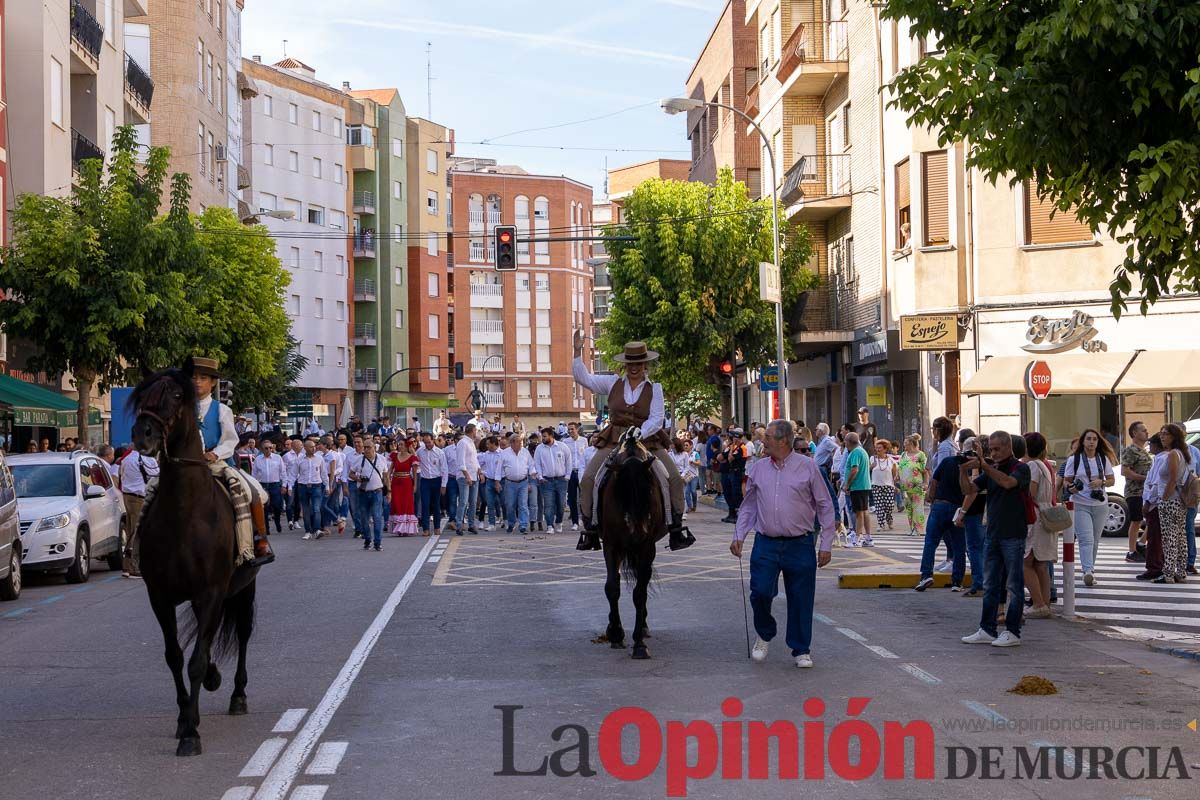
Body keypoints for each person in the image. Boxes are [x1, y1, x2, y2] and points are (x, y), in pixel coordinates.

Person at [730, 420, 835, 669]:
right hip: (766, 543)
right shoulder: (758, 469)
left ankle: (801, 649)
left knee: (801, 597)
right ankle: (765, 633)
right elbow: (749, 506)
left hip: (800, 544)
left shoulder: (809, 467)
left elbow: (825, 505)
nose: (762, 441)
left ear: (782, 441)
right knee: (760, 592)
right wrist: (739, 534)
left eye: (767, 437)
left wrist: (826, 544)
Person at [571, 334, 690, 552]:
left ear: (645, 364)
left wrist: (640, 431)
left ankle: (676, 529)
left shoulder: (655, 389)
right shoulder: (612, 382)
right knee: (588, 479)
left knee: (673, 478)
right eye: (630, 363)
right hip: (615, 439)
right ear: (625, 364)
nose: (634, 368)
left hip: (647, 440)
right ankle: (589, 530)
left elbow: (656, 418)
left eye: (638, 363)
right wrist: (577, 351)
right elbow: (584, 379)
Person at [960, 432, 1030, 647]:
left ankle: (1012, 631)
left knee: (1014, 585)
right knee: (990, 584)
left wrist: (985, 465)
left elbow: (1008, 483)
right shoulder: (992, 469)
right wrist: (963, 470)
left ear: (1009, 447)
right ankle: (987, 629)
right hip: (993, 534)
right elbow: (970, 489)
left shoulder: (1020, 468)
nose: (994, 453)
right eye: (991, 449)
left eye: (997, 449)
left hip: (1013, 535)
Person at [1063, 428, 1116, 586]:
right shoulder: (1074, 459)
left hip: (1100, 504)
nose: (1092, 442)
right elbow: (1066, 481)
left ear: (1098, 442)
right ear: (1083, 442)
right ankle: (1087, 571)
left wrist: (1102, 482)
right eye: (1088, 439)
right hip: (1080, 503)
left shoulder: (1103, 459)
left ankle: (1089, 569)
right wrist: (1071, 488)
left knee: (1095, 540)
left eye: (1094, 439)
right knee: (1086, 539)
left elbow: (1112, 480)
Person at [1022, 432, 1058, 618]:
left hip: (1035, 516)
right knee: (1040, 564)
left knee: (1026, 562)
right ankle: (1044, 604)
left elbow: (1031, 492)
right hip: (1045, 514)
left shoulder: (1032, 466)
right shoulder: (1045, 466)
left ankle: (1037, 602)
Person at [1156, 423, 1191, 583]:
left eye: (1166, 434)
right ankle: (1181, 571)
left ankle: (1169, 572)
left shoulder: (1172, 455)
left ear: (1174, 437)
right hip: (1180, 500)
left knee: (1169, 536)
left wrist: (1163, 498)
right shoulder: (1182, 453)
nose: (1162, 436)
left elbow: (1172, 479)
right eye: (1161, 433)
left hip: (1170, 500)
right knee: (1180, 536)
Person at [118, 447, 158, 578]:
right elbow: (158, 475)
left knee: (131, 530)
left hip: (127, 496)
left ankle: (127, 566)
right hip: (139, 498)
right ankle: (133, 567)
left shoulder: (127, 459)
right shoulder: (147, 460)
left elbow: (121, 476)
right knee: (137, 533)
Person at [1138, 434, 1168, 581]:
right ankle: (1157, 565)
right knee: (1156, 536)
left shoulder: (1162, 458)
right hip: (1155, 501)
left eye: (1151, 444)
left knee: (1154, 537)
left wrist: (1148, 502)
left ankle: (1154, 567)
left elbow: (1156, 483)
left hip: (1155, 503)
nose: (1150, 447)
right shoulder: (1160, 458)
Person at [1121, 421, 1152, 563]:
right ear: (1134, 433)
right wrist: (1145, 479)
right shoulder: (1131, 450)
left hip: (1146, 492)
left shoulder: (1144, 450)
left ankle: (1141, 544)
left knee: (1151, 519)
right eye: (1143, 430)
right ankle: (1131, 551)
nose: (1147, 432)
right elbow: (1125, 471)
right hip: (1134, 492)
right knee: (1136, 521)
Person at [352, 439, 390, 551]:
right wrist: (358, 478)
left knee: (377, 517)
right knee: (364, 518)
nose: (366, 449)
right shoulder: (359, 460)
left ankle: (377, 542)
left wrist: (389, 492)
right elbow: (351, 474)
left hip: (377, 492)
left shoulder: (382, 459)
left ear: (374, 447)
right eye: (365, 447)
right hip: (363, 493)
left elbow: (386, 476)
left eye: (369, 447)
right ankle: (367, 539)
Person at [534, 428, 572, 533]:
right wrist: (540, 477)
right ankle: (550, 525)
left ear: (551, 436)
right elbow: (537, 463)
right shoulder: (539, 449)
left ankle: (559, 522)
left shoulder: (562, 446)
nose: (543, 438)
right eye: (542, 436)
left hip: (561, 480)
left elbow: (569, 461)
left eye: (545, 436)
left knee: (561, 503)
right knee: (548, 504)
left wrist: (567, 476)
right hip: (546, 481)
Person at [841, 431, 873, 546]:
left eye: (845, 441)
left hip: (857, 486)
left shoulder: (854, 452)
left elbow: (854, 469)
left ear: (848, 442)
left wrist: (847, 484)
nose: (844, 443)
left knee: (859, 513)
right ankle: (868, 538)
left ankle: (857, 539)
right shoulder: (862, 451)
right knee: (865, 511)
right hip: (864, 485)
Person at [415, 431, 448, 536]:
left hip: (436, 480)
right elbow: (416, 463)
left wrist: (443, 485)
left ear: (433, 440)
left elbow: (444, 469)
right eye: (425, 442)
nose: (428, 444)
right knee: (425, 504)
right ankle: (426, 528)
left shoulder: (439, 452)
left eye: (429, 442)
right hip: (425, 481)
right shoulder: (420, 451)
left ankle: (437, 527)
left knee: (436, 504)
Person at [499, 433, 534, 533]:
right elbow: (499, 468)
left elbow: (531, 465)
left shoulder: (525, 452)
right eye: (519, 442)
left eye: (521, 442)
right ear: (512, 443)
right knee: (510, 505)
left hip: (523, 482)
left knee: (523, 504)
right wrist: (497, 482)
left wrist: (533, 474)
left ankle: (523, 525)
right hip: (509, 483)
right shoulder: (504, 453)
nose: (521, 444)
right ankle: (511, 523)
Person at [295, 438, 327, 540]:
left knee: (316, 509)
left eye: (314, 446)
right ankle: (308, 531)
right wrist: (289, 485)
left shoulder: (319, 458)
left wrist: (327, 486)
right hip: (303, 486)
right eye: (311, 447)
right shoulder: (299, 459)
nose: (314, 448)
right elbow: (294, 473)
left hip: (316, 485)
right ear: (305, 448)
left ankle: (317, 530)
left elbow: (324, 473)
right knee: (306, 510)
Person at [252, 440, 286, 535]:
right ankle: (266, 528)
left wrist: (284, 485)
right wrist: (254, 487)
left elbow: (283, 472)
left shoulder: (278, 458)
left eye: (270, 448)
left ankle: (277, 523)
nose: (268, 450)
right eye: (266, 448)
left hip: (275, 485)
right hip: (263, 486)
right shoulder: (258, 459)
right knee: (264, 508)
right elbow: (254, 474)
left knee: (277, 506)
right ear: (262, 449)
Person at [897, 435, 928, 536]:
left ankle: (918, 529)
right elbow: (900, 467)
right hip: (905, 487)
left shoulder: (920, 455)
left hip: (917, 486)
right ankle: (912, 528)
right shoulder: (903, 454)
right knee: (909, 508)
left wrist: (925, 483)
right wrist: (897, 476)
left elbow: (925, 471)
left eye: (906, 443)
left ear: (911, 444)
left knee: (917, 508)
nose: (904, 445)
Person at [388, 439, 419, 536]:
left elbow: (414, 474)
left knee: (406, 504)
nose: (399, 446)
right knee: (396, 503)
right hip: (395, 482)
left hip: (407, 483)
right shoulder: (394, 456)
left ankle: (405, 529)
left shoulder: (412, 458)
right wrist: (388, 482)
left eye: (401, 445)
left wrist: (415, 485)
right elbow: (390, 470)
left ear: (406, 446)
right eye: (399, 444)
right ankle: (398, 528)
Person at [456, 423, 481, 534]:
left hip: (474, 475)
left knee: (473, 502)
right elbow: (461, 462)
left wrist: (479, 470)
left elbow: (473, 459)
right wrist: (467, 476)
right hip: (465, 477)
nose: (477, 433)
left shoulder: (471, 443)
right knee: (463, 502)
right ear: (472, 431)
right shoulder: (463, 442)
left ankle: (471, 524)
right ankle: (459, 525)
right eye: (476, 431)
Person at [869, 439, 898, 531]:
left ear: (885, 449)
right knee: (879, 506)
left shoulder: (891, 460)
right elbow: (866, 470)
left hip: (889, 485)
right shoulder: (872, 459)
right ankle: (880, 524)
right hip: (876, 485)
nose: (878, 450)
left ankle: (889, 519)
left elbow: (894, 473)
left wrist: (895, 485)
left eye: (880, 448)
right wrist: (871, 467)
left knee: (889, 505)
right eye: (876, 448)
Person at [565, 422, 588, 531]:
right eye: (568, 429)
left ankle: (584, 518)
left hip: (581, 472)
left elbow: (586, 455)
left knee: (583, 497)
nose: (570, 431)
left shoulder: (584, 440)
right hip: (571, 472)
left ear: (577, 430)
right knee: (572, 498)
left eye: (572, 429)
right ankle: (574, 521)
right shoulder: (565, 442)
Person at [669, 437, 698, 517]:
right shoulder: (669, 454)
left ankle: (683, 512)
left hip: (682, 475)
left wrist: (682, 475)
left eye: (672, 444)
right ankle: (674, 511)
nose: (671, 446)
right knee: (672, 494)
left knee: (683, 494)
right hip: (672, 475)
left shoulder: (684, 454)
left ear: (676, 445)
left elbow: (687, 466)